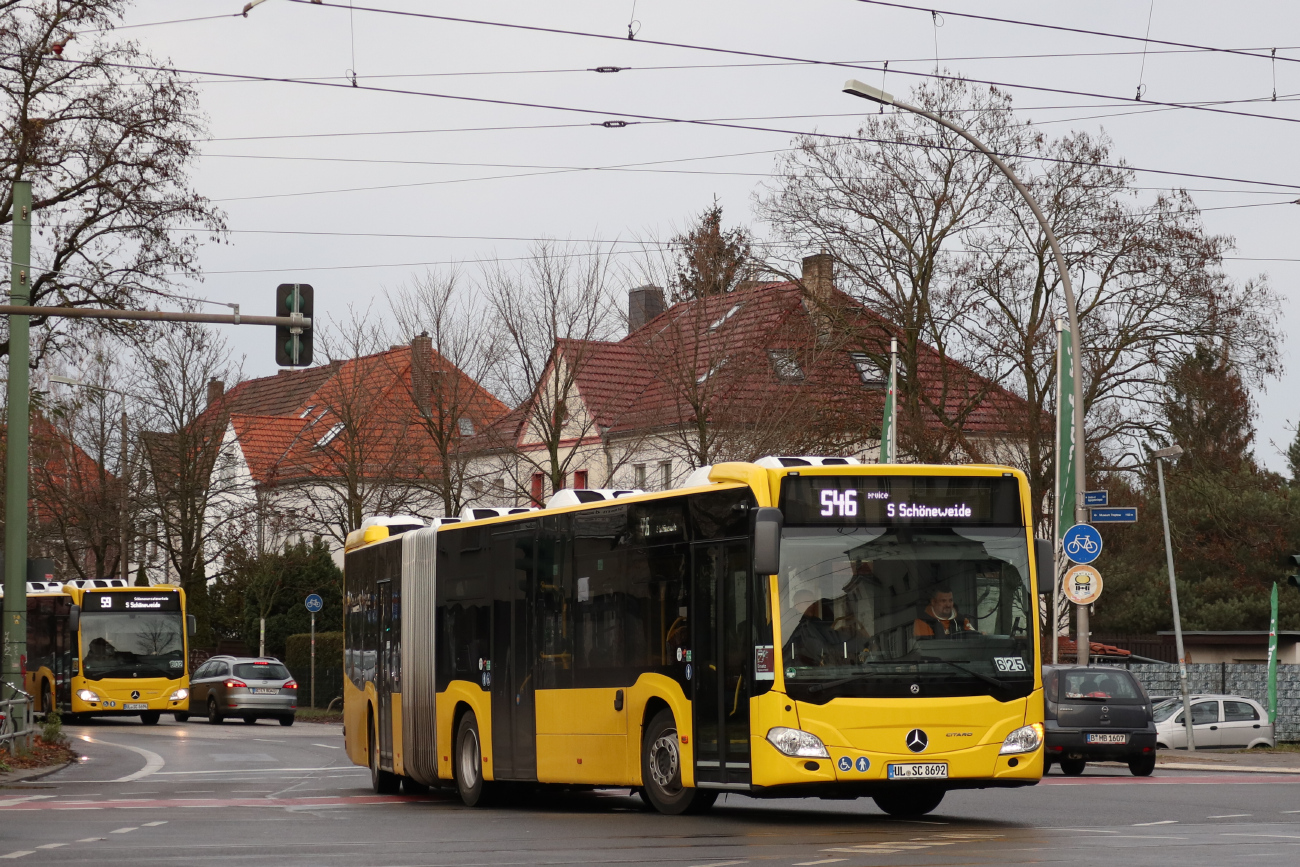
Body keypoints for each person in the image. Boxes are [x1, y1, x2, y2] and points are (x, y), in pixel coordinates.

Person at [785, 590, 839, 666]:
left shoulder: (816, 622)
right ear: (796, 604)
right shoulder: (787, 623)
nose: (811, 605)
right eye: (807, 602)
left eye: (813, 602)